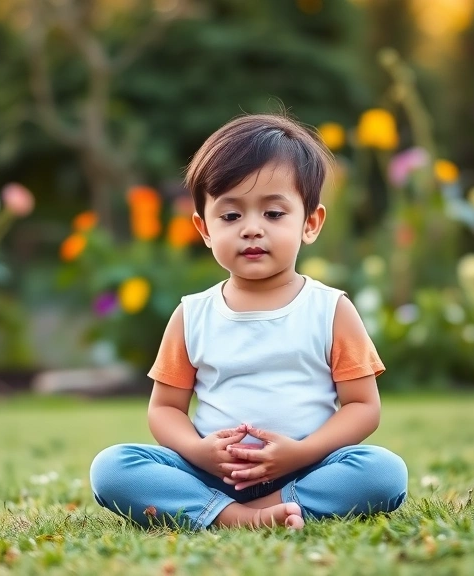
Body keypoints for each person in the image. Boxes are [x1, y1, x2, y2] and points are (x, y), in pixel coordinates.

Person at [89, 114, 408, 530]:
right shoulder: (192, 314)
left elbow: (363, 406)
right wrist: (199, 450)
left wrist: (301, 452)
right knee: (112, 467)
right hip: (212, 475)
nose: (252, 229)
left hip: (306, 468)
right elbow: (166, 409)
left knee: (383, 472)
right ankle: (232, 514)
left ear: (310, 223)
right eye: (231, 216)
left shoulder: (330, 310)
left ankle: (271, 507)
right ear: (203, 229)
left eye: (274, 214)